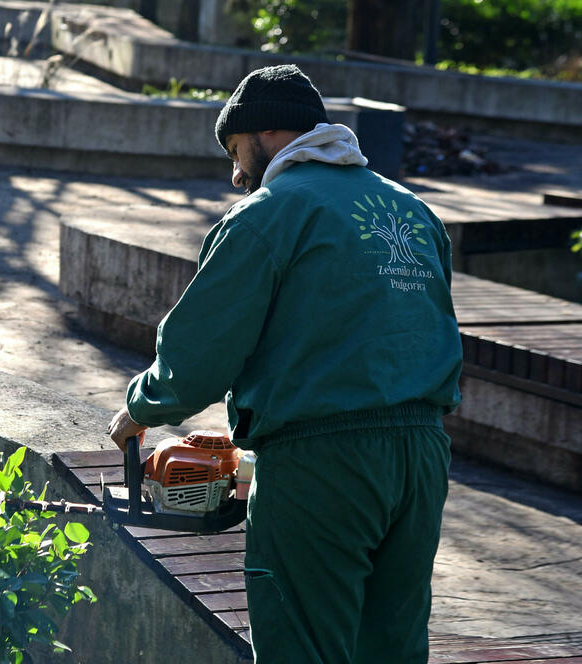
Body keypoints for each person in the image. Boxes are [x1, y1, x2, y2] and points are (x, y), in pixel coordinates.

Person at [106, 64, 462, 664]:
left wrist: (139, 409)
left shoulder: (267, 213)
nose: (236, 171)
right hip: (422, 460)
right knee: (393, 645)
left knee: (302, 645)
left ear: (265, 132)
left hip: (321, 468)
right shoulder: (415, 213)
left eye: (235, 150)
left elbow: (201, 354)